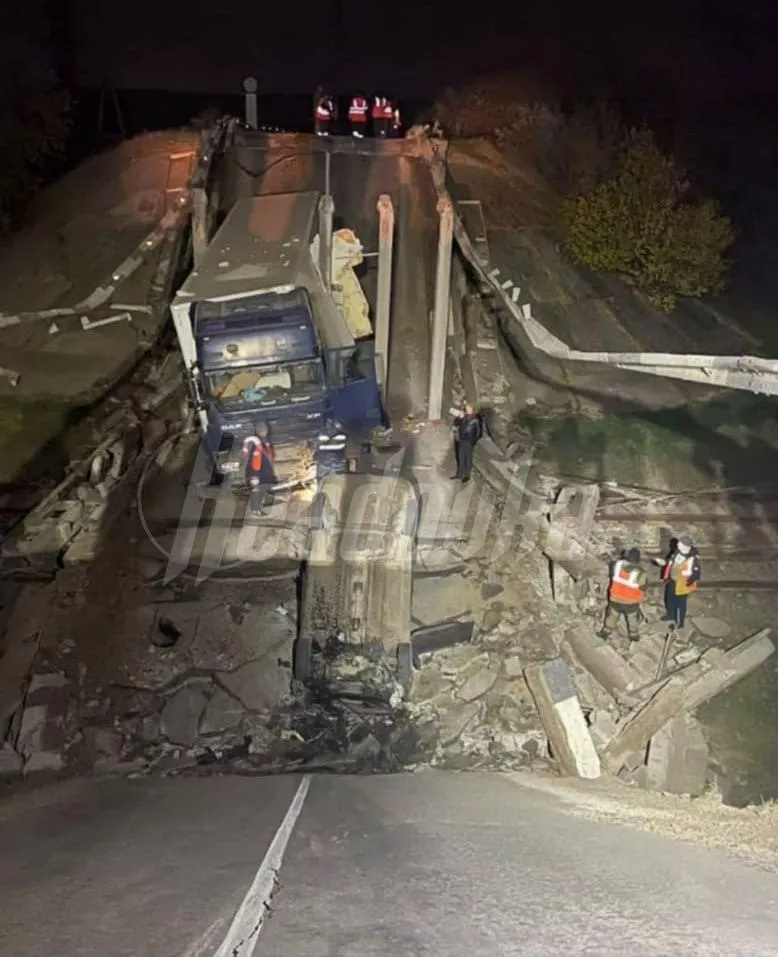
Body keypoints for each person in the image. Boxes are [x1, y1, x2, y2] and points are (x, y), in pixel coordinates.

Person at [598, 548, 647, 642]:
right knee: (632, 618)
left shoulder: (616, 565)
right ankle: (633, 635)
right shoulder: (640, 572)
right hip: (631, 602)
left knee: (612, 616)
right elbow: (643, 587)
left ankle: (605, 632)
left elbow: (612, 575)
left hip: (615, 599)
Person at [655, 534, 701, 629]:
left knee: (680, 604)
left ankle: (679, 622)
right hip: (672, 581)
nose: (678, 544)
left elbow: (696, 573)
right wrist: (663, 563)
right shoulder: (677, 552)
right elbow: (671, 562)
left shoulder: (693, 559)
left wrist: (688, 583)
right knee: (670, 599)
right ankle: (670, 615)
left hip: (682, 585)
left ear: (686, 546)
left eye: (680, 543)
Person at [242, 422, 276, 515]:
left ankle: (258, 509)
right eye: (263, 430)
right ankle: (256, 510)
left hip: (263, 471)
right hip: (257, 472)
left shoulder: (264, 441)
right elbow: (253, 459)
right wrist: (254, 474)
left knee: (261, 490)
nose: (265, 432)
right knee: (257, 491)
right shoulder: (255, 442)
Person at [449, 402, 483, 482]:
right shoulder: (464, 417)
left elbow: (478, 433)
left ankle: (467, 475)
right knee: (461, 457)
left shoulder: (476, 420)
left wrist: (473, 441)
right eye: (466, 409)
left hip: (469, 441)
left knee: (467, 458)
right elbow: (459, 424)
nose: (467, 410)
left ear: (472, 409)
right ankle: (460, 474)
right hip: (462, 439)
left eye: (468, 409)